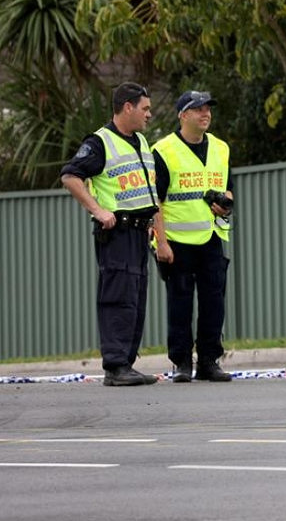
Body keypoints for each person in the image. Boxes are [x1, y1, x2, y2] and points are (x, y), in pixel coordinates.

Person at [60, 82, 159, 386]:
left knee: (136, 298)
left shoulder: (140, 141)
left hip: (140, 233)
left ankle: (125, 363)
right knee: (118, 297)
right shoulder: (100, 142)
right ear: (127, 107)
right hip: (117, 234)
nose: (149, 114)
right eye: (145, 108)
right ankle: (115, 366)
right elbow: (70, 176)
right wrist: (98, 210)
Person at [151, 90, 234, 383]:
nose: (205, 113)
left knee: (214, 302)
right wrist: (161, 241)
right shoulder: (163, 150)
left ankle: (209, 361)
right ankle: (182, 362)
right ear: (182, 115)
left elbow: (228, 187)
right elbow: (155, 200)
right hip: (176, 240)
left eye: (208, 108)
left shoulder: (221, 148)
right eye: (198, 109)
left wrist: (224, 204)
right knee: (180, 302)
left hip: (211, 235)